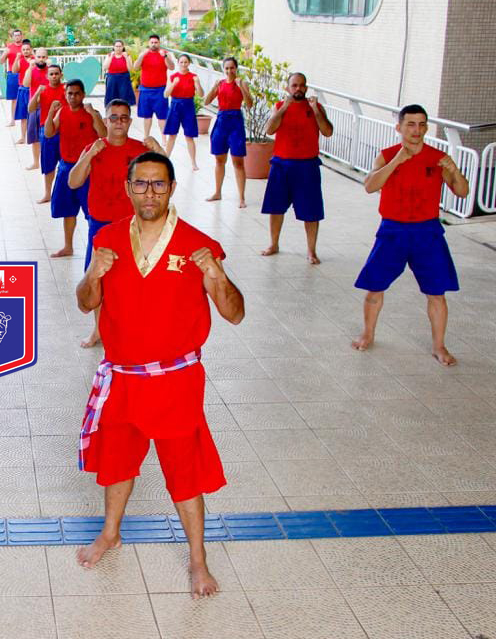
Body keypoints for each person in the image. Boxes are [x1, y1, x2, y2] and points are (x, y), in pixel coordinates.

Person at [74, 151, 244, 599]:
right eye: (141, 184)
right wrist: (94, 272)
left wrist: (216, 277)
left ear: (171, 188)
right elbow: (86, 302)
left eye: (159, 184)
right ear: (128, 189)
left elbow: (235, 314)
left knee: (183, 471)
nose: (150, 193)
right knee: (117, 462)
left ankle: (198, 559)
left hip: (174, 381)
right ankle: (110, 532)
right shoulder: (108, 238)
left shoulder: (197, 244)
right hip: (123, 378)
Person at [352, 104, 468, 366]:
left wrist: (453, 170)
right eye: (411, 124)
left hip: (427, 231)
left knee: (437, 293)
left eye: (421, 124)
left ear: (426, 127)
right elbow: (370, 186)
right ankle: (368, 334)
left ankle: (439, 346)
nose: (417, 130)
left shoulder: (438, 158)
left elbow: (462, 191)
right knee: (374, 288)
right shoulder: (387, 155)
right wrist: (397, 162)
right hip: (393, 230)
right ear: (399, 127)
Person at [70, 100, 164, 348]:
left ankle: (136, 327)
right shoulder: (95, 149)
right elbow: (73, 181)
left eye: (124, 118)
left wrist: (160, 150)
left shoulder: (140, 150)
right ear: (106, 120)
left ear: (130, 121)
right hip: (100, 225)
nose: (119, 122)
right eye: (114, 117)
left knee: (135, 279)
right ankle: (98, 330)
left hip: (133, 226)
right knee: (97, 280)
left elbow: (167, 178)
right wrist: (89, 155)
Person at [261, 72, 333, 264]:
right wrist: (284, 107)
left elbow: (327, 132)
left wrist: (316, 111)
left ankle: (311, 250)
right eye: (294, 85)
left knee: (311, 211)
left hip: (307, 165)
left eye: (301, 85)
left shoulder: (316, 108)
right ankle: (274, 243)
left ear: (306, 87)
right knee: (275, 208)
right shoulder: (279, 107)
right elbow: (269, 129)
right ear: (288, 88)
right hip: (281, 164)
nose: (298, 89)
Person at [45, 79, 106, 259]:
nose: (73, 97)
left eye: (77, 93)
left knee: (92, 212)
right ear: (65, 95)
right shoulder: (62, 112)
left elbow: (104, 135)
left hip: (88, 168)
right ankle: (68, 246)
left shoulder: (91, 113)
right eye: (70, 93)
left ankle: (95, 249)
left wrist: (93, 115)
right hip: (66, 167)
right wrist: (50, 113)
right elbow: (49, 133)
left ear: (83, 94)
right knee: (67, 210)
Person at [204, 57, 253, 207]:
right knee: (219, 159)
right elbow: (206, 101)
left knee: (238, 161)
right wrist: (214, 88)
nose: (229, 71)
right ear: (223, 69)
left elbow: (249, 103)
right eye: (226, 68)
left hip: (235, 121)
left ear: (236, 68)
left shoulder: (241, 83)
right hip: (221, 120)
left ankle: (242, 198)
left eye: (232, 68)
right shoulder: (220, 83)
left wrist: (242, 87)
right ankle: (217, 192)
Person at [28, 63, 66, 203]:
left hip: (65, 130)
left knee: (66, 164)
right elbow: (31, 108)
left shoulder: (67, 90)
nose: (54, 76)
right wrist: (37, 92)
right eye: (51, 74)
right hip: (47, 130)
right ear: (47, 76)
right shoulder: (43, 90)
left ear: (61, 75)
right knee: (48, 164)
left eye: (57, 73)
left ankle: (63, 193)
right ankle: (47, 193)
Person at [163, 54, 204, 171]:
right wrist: (173, 84)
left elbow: (201, 94)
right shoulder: (173, 77)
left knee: (189, 136)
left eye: (186, 62)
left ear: (189, 63)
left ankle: (193, 162)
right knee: (172, 135)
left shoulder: (194, 77)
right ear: (178, 63)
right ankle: (166, 159)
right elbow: (166, 94)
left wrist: (197, 84)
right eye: (181, 62)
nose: (183, 64)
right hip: (175, 105)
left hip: (188, 106)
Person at [134, 34, 175, 140]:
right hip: (145, 89)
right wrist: (141, 56)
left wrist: (165, 57)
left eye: (156, 42)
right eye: (152, 42)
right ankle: (146, 137)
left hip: (160, 90)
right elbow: (135, 67)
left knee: (162, 116)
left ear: (159, 43)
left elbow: (172, 67)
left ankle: (163, 139)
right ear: (149, 43)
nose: (154, 44)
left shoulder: (165, 54)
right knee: (147, 116)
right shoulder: (144, 54)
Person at [22, 46, 49, 171]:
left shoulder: (51, 71)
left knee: (49, 136)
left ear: (47, 58)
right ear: (35, 57)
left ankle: (48, 160)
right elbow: (26, 84)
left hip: (48, 107)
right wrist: (29, 68)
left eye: (43, 57)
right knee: (34, 136)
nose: (41, 59)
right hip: (35, 106)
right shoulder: (31, 70)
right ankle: (36, 162)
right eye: (39, 57)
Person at [0, 29, 25, 127]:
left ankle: (26, 118)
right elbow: (1, 61)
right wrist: (6, 53)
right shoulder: (9, 47)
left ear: (21, 36)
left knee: (26, 97)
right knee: (14, 99)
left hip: (24, 74)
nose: (17, 37)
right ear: (12, 37)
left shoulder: (26, 47)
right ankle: (13, 120)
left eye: (19, 35)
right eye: (15, 35)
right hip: (13, 74)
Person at [12, 40, 35, 144]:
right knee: (23, 116)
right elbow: (14, 71)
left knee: (34, 115)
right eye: (24, 50)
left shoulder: (35, 60)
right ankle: (23, 137)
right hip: (22, 89)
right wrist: (17, 58)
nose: (26, 51)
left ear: (31, 50)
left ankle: (34, 136)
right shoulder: (20, 60)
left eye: (28, 49)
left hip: (33, 89)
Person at [103, 40, 136, 108]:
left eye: (120, 46)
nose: (118, 48)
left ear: (122, 47)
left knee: (124, 97)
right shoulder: (109, 55)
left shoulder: (127, 55)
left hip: (124, 78)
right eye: (116, 46)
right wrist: (111, 57)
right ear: (114, 47)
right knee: (111, 96)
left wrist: (126, 57)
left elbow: (130, 69)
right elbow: (105, 67)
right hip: (112, 78)